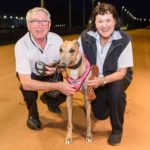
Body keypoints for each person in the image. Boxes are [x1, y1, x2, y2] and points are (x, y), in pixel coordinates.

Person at [78, 2, 133, 145]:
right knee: (100, 115)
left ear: (115, 21)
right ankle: (114, 102)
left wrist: (101, 81)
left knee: (115, 90)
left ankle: (117, 129)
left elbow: (121, 73)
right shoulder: (85, 37)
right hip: (96, 78)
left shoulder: (124, 39)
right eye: (100, 21)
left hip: (116, 76)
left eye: (108, 20)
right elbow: (77, 57)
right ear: (94, 23)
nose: (104, 25)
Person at [14, 7, 76, 130]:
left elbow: (64, 64)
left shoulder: (57, 39)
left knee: (67, 89)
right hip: (31, 75)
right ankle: (33, 116)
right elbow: (26, 83)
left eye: (44, 21)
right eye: (35, 21)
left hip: (52, 71)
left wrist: (57, 69)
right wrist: (58, 86)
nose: (40, 25)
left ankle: (50, 100)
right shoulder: (21, 45)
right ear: (28, 25)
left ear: (49, 24)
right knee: (27, 90)